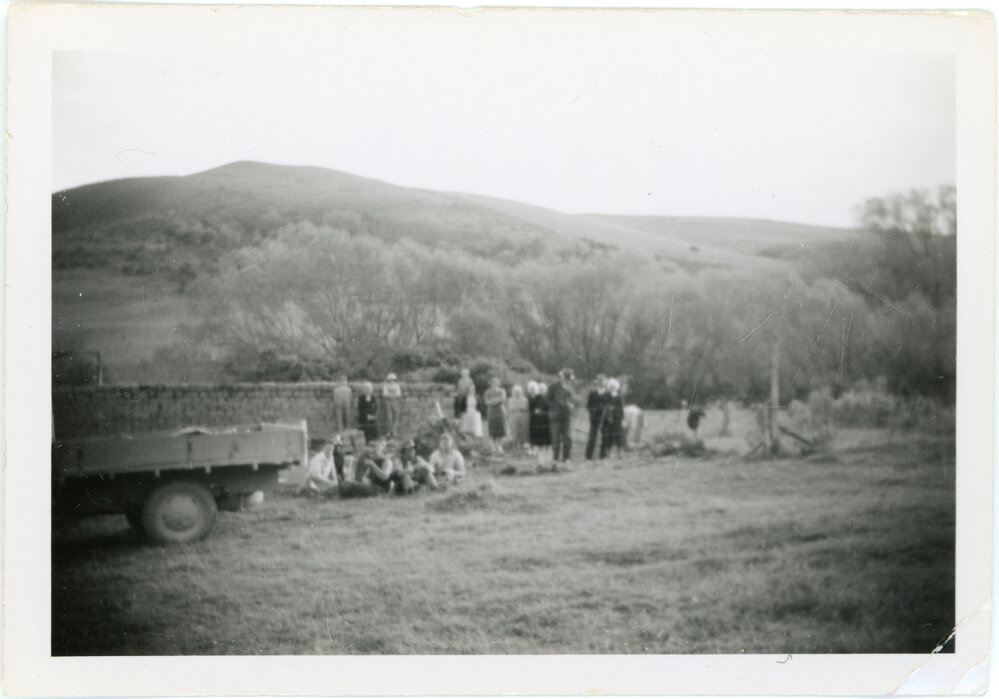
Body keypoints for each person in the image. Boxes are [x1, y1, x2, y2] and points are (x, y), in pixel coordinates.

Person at [546, 368, 576, 464]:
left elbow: (574, 400)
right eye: (565, 378)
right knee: (556, 438)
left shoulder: (571, 387)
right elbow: (547, 399)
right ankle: (555, 458)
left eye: (569, 379)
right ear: (562, 377)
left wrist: (571, 404)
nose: (567, 380)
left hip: (566, 416)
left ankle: (566, 457)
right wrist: (555, 406)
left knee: (567, 437)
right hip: (556, 416)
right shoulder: (554, 387)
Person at [585, 374, 609, 460]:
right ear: (597, 382)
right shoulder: (592, 394)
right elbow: (588, 406)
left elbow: (610, 406)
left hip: (605, 419)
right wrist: (593, 411)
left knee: (605, 437)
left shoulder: (608, 394)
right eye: (599, 380)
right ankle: (588, 455)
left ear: (605, 382)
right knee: (592, 437)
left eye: (602, 380)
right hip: (594, 419)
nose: (601, 382)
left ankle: (603, 455)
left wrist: (606, 411)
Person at [600, 378, 625, 458]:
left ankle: (619, 453)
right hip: (607, 419)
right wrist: (608, 409)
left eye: (613, 386)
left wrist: (619, 415)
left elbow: (621, 409)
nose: (612, 388)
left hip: (617, 419)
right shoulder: (605, 396)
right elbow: (603, 406)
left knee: (618, 436)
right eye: (610, 386)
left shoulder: (619, 397)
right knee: (608, 436)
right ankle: (608, 454)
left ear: (616, 387)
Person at [528, 381, 551, 459]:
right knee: (536, 433)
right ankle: (537, 448)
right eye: (540, 389)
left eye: (543, 389)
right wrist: (535, 411)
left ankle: (545, 448)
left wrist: (543, 411)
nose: (542, 391)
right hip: (536, 419)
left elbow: (549, 408)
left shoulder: (547, 398)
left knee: (545, 433)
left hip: (545, 418)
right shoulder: (535, 398)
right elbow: (531, 409)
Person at [484, 377, 508, 453]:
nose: (494, 384)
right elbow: (487, 402)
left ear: (498, 384)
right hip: (491, 411)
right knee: (493, 428)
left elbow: (503, 399)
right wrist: (496, 400)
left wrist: (494, 400)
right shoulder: (487, 392)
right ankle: (494, 446)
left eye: (496, 383)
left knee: (501, 427)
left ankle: (499, 446)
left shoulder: (502, 391)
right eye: (493, 383)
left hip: (500, 410)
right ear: (490, 384)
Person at [507, 385, 529, 450]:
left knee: (522, 430)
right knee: (514, 430)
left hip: (522, 415)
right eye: (516, 392)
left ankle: (522, 444)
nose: (517, 393)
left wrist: (518, 407)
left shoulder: (525, 399)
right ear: (513, 392)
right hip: (513, 416)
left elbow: (525, 408)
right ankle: (515, 444)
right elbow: (510, 409)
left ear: (521, 392)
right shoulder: (510, 399)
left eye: (518, 392)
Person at [382, 373, 402, 438]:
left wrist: (390, 396)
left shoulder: (396, 386)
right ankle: (388, 432)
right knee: (389, 418)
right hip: (388, 403)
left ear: (394, 380)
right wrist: (393, 396)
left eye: (393, 380)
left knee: (395, 417)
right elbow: (385, 395)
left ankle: (394, 432)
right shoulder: (386, 386)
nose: (391, 381)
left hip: (395, 403)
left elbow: (398, 395)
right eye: (390, 380)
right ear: (388, 380)